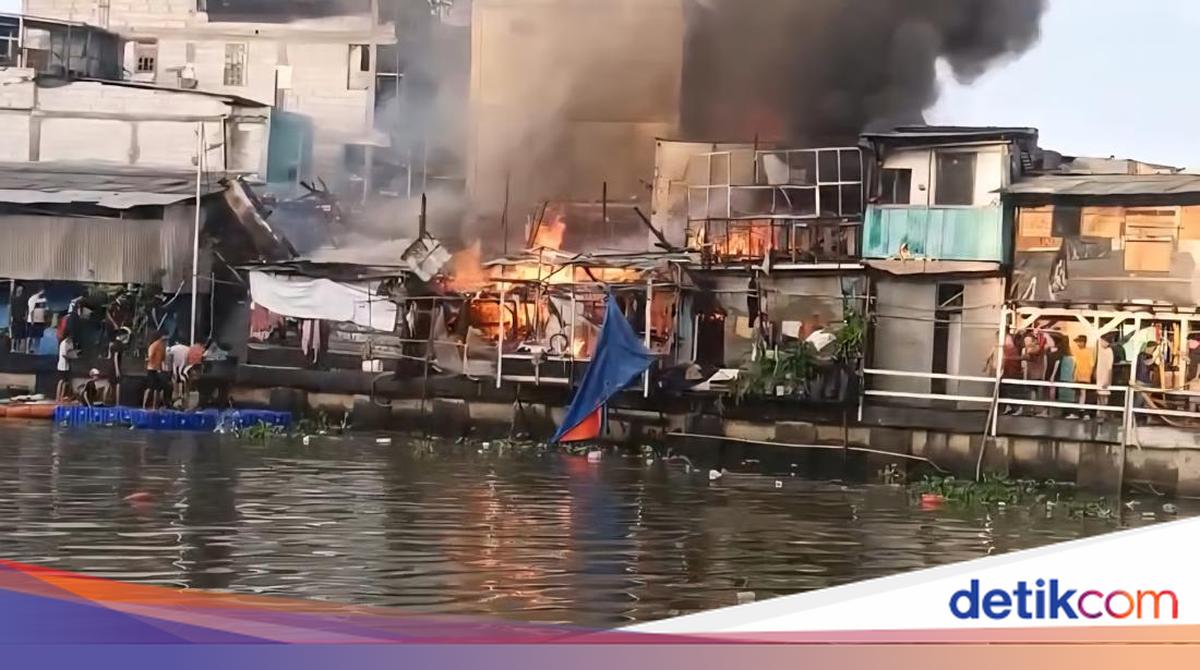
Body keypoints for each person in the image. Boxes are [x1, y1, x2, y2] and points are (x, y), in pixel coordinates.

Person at [1071, 335, 1096, 417]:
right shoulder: (1077, 352)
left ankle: (1083, 411)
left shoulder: (1089, 352)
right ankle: (1078, 411)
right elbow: (1075, 364)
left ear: (1084, 342)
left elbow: (1092, 364)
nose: (1078, 343)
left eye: (1079, 342)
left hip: (1086, 375)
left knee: (1084, 394)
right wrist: (1073, 373)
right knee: (1078, 394)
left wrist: (1091, 374)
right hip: (1078, 375)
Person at [143, 331, 168, 410]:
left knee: (154, 388)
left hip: (155, 368)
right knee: (152, 388)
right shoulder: (158, 345)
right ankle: (149, 405)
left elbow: (161, 358)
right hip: (154, 368)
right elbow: (154, 357)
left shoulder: (158, 346)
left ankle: (152, 406)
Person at [106, 327, 129, 406]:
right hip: (115, 367)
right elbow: (116, 357)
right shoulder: (119, 345)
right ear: (122, 335)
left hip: (109, 365)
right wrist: (117, 370)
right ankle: (117, 403)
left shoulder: (112, 344)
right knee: (118, 384)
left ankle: (106, 400)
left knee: (110, 384)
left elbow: (109, 356)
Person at [1096, 337, 1116, 421]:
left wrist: (1108, 380)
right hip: (1098, 375)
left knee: (1104, 396)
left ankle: (1103, 413)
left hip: (1105, 376)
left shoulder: (1109, 351)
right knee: (1099, 395)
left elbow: (1109, 368)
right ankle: (1099, 413)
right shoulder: (1098, 349)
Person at [167, 338, 191, 407]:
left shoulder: (173, 348)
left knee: (175, 389)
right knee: (186, 390)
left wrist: (169, 370)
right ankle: (185, 405)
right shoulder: (188, 349)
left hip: (176, 371)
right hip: (185, 371)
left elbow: (169, 358)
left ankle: (176, 404)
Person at [56, 335, 76, 402]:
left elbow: (71, 351)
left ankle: (62, 396)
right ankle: (58, 396)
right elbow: (64, 354)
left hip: (67, 365)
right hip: (62, 365)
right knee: (61, 381)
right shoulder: (64, 343)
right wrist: (71, 357)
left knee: (65, 382)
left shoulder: (70, 343)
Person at [26, 287, 47, 354]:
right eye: (43, 292)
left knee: (38, 336)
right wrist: (32, 320)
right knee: (30, 335)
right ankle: (28, 349)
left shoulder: (43, 299)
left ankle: (36, 350)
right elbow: (31, 310)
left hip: (40, 320)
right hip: (33, 321)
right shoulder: (33, 298)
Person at [9, 284, 26, 354]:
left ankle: (18, 348)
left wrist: (25, 316)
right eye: (19, 290)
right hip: (15, 318)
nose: (20, 291)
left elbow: (25, 309)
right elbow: (10, 309)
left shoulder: (23, 299)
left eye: (21, 290)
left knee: (20, 334)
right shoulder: (13, 299)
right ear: (17, 290)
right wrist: (10, 318)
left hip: (21, 318)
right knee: (14, 334)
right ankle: (13, 348)